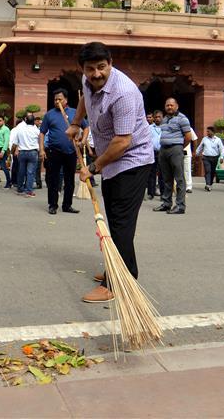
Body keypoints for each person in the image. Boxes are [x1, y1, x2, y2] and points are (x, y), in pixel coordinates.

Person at [67, 42, 152, 303]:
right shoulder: (87, 80)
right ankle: (119, 268)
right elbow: (84, 97)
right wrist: (75, 123)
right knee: (114, 218)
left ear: (111, 63)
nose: (96, 74)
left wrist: (92, 168)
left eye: (101, 68)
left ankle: (116, 282)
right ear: (82, 69)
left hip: (132, 160)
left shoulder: (123, 93)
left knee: (120, 222)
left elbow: (122, 141)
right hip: (111, 160)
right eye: (90, 69)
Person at [39, 89, 86, 215]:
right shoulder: (49, 115)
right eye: (55, 99)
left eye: (59, 99)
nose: (57, 101)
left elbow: (86, 127)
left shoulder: (75, 113)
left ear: (66, 100)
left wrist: (83, 141)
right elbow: (42, 132)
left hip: (71, 151)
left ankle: (67, 205)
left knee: (69, 180)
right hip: (54, 151)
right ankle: (52, 205)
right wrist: (42, 149)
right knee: (53, 179)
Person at [155, 97, 193, 214]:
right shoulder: (164, 119)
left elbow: (188, 136)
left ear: (177, 106)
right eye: (167, 105)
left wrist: (180, 146)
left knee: (179, 178)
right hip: (164, 150)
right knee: (166, 178)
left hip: (175, 149)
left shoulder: (182, 119)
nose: (169, 107)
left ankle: (180, 206)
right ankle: (166, 203)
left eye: (171, 105)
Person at [10, 114, 40, 197]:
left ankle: (20, 189)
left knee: (21, 171)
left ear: (26, 120)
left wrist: (12, 152)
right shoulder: (36, 130)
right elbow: (40, 142)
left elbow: (15, 144)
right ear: (33, 121)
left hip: (22, 152)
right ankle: (29, 191)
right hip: (33, 152)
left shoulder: (20, 130)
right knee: (30, 172)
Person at [196, 127, 224, 191]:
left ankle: (210, 183)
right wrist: (196, 153)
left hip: (215, 157)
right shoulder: (204, 139)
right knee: (207, 170)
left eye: (208, 131)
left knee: (212, 171)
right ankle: (208, 184)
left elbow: (222, 149)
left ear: (213, 132)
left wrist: (222, 157)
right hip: (206, 157)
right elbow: (200, 147)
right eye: (207, 131)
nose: (207, 133)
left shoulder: (218, 140)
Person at [146, 112, 161, 199]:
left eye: (159, 117)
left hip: (163, 152)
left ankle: (163, 194)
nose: (157, 118)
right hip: (152, 152)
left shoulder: (165, 128)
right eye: (156, 117)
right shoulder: (149, 128)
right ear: (154, 118)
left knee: (163, 174)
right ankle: (150, 193)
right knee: (152, 173)